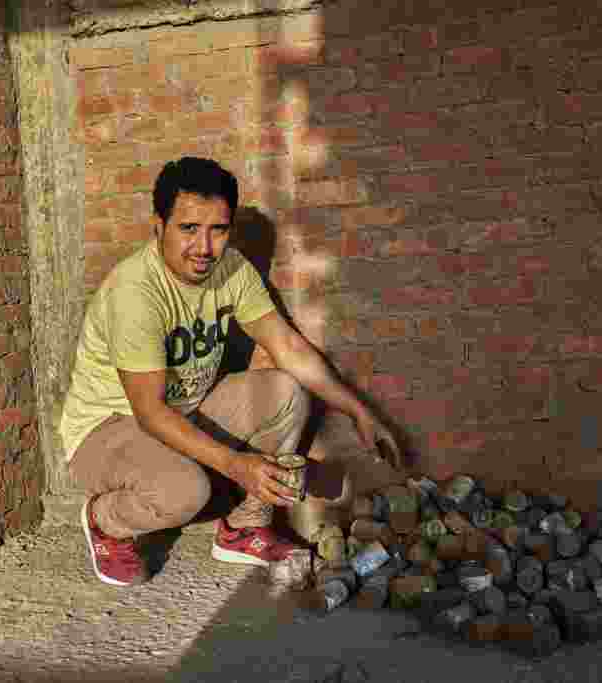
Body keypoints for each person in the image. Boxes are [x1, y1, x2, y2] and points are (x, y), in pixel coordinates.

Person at [59, 156, 402, 586]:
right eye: (188, 229)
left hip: (182, 411)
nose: (203, 248)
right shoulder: (136, 293)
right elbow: (148, 412)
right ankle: (104, 521)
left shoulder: (231, 269)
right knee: (185, 491)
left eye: (217, 230)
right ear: (158, 226)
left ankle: (244, 528)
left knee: (286, 392)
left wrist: (358, 411)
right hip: (108, 429)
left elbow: (288, 346)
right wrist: (236, 465)